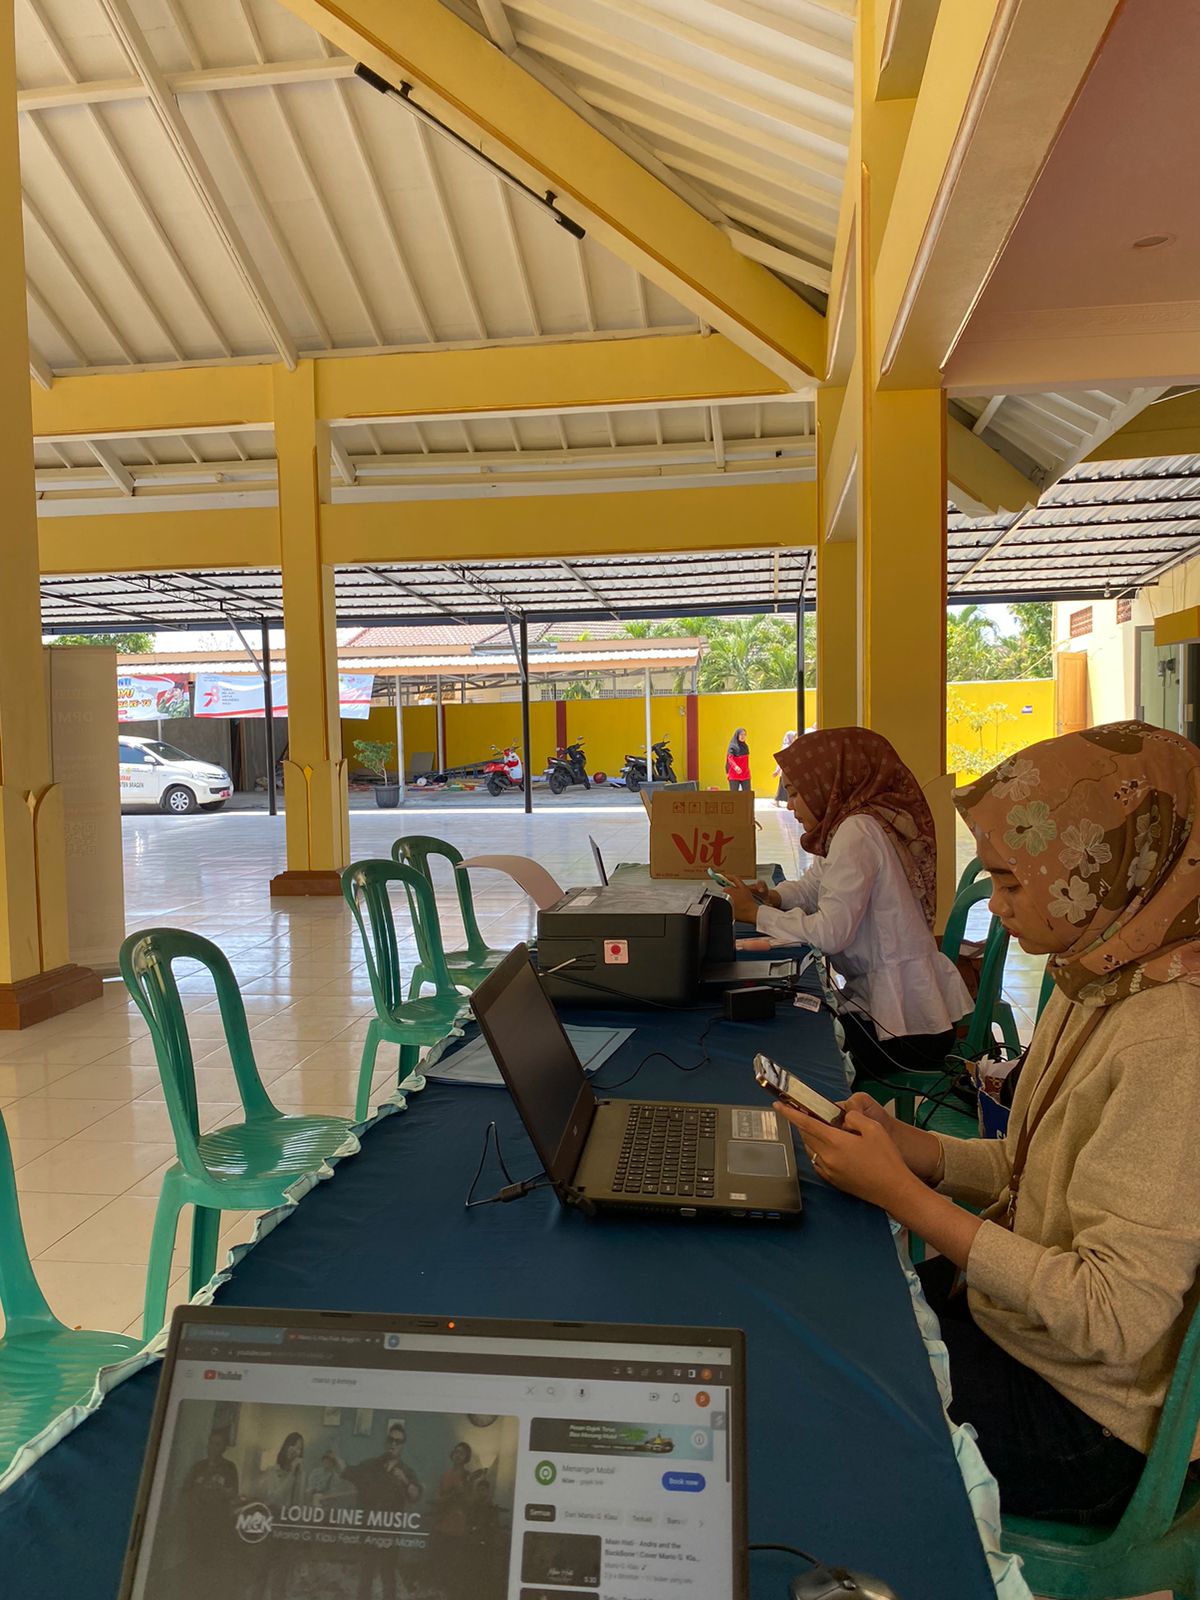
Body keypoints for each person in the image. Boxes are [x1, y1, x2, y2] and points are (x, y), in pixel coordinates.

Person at [775, 721, 1200, 1524]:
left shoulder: (1171, 1039)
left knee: (821, 1405)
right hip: (1017, 1328)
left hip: (1087, 1417)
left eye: (1012, 884)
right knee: (822, 1314)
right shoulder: (1097, 974)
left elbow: (1112, 1314)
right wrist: (918, 1151)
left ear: (1099, 872)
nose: (995, 911)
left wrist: (905, 1197)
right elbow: (1029, 1165)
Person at [723, 727, 971, 1080]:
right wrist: (774, 897)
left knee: (791, 1046)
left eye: (796, 793)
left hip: (905, 1030)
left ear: (828, 784)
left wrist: (755, 914)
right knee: (789, 1020)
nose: (791, 805)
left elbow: (830, 934)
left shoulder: (857, 831)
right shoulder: (851, 825)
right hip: (891, 1011)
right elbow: (816, 884)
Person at [773, 730, 797, 806]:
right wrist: (777, 771)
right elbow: (781, 760)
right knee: (783, 786)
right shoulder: (786, 747)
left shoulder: (790, 746)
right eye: (793, 737)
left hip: (788, 770)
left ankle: (778, 801)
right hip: (785, 771)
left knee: (784, 786)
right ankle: (777, 801)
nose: (795, 738)